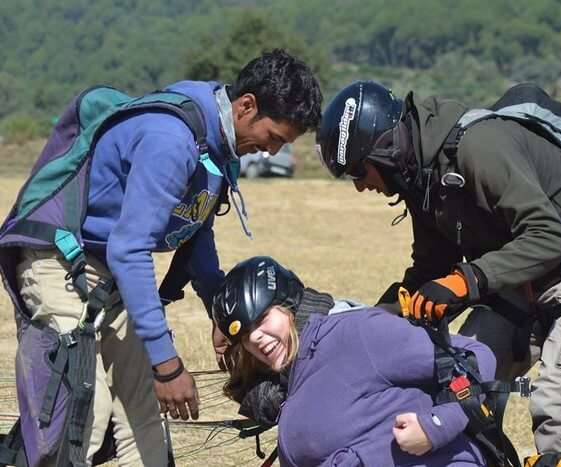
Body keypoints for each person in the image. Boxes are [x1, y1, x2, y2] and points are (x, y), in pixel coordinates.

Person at [314, 80, 561, 464]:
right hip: (520, 284)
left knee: (553, 405)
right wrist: (371, 320)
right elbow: (430, 269)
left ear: (383, 149)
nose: (361, 187)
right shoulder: (424, 178)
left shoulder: (477, 148)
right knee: (460, 386)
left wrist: (465, 282)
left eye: (357, 172)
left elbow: (551, 236)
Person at [0, 49, 322, 465]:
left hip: (108, 274)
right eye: (275, 137)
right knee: (82, 411)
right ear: (247, 106)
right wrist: (167, 366)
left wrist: (220, 314)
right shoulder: (172, 140)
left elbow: (196, 233)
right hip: (60, 262)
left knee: (144, 414)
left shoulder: (218, 146)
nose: (272, 151)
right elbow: (129, 248)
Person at [212, 256, 497, 467]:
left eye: (263, 320)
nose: (258, 339)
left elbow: (472, 358)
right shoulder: (291, 381)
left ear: (288, 305)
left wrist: (435, 425)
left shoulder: (356, 332)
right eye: (247, 335)